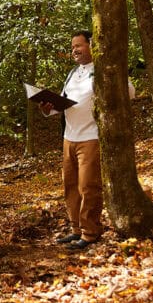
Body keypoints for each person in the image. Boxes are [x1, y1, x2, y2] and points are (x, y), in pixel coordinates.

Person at [38, 30, 134, 250]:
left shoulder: (103, 70)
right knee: (70, 186)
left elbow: (128, 93)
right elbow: (62, 105)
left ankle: (91, 232)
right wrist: (48, 109)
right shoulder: (73, 73)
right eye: (72, 47)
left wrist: (116, 74)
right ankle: (76, 229)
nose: (74, 51)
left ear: (91, 45)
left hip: (90, 137)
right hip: (68, 137)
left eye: (79, 46)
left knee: (88, 186)